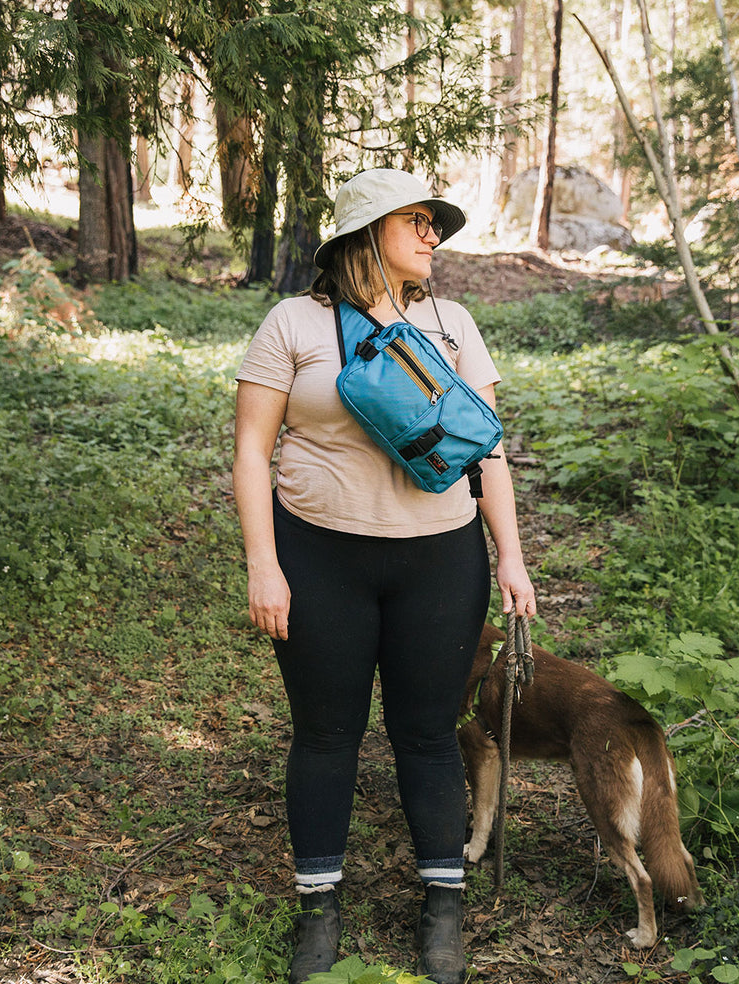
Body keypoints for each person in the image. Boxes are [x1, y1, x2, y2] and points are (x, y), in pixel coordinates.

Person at [232, 168, 537, 984]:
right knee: (326, 734)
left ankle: (443, 907)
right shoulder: (295, 322)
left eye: (436, 222)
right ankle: (318, 910)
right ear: (366, 233)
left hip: (439, 560)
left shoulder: (452, 323)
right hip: (319, 555)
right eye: (416, 221)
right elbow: (251, 453)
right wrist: (264, 564)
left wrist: (510, 555)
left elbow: (489, 448)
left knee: (429, 735)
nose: (434, 234)